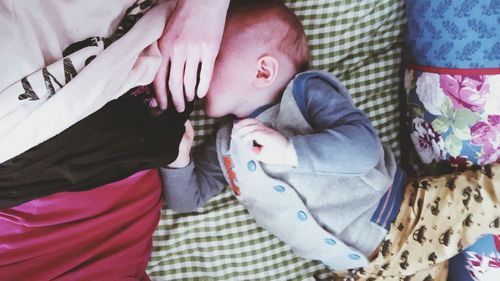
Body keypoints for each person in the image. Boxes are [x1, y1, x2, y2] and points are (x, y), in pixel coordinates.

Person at [160, 0, 500, 279]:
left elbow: (362, 149)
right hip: (358, 270)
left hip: (405, 219)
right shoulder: (226, 145)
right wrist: (178, 160)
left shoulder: (305, 95)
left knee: (487, 197)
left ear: (263, 71)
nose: (198, 73)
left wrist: (291, 151)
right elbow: (187, 200)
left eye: (212, 61)